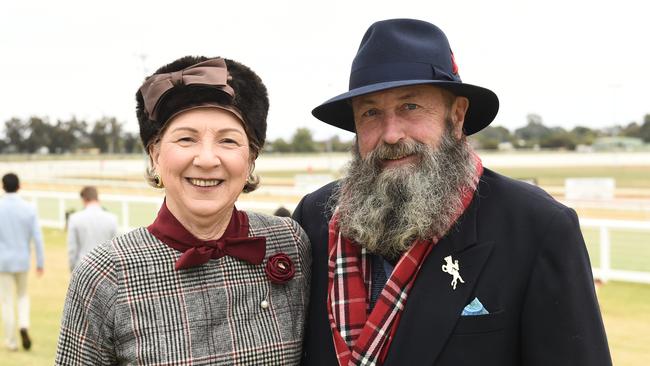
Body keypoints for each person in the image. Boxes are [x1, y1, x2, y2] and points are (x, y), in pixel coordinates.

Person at [293, 19, 611, 365]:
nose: (391, 134)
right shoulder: (315, 217)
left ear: (457, 116)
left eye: (409, 107)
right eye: (371, 113)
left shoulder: (537, 227)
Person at [56, 56, 311, 365]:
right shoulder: (106, 274)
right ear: (155, 153)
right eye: (186, 138)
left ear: (251, 160)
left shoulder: (290, 242)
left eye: (228, 141)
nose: (206, 159)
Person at [0, 173, 44, 351]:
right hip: (22, 260)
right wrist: (40, 262)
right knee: (23, 297)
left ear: (3, 186)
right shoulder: (29, 208)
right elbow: (37, 238)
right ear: (19, 186)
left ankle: (11, 341)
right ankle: (24, 324)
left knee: (7, 301)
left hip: (3, 262)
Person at [67, 186, 118, 271]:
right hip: (105, 269)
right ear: (97, 198)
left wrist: (72, 269)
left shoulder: (74, 218)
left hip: (82, 268)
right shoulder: (112, 219)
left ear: (84, 199)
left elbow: (72, 249)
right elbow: (115, 248)